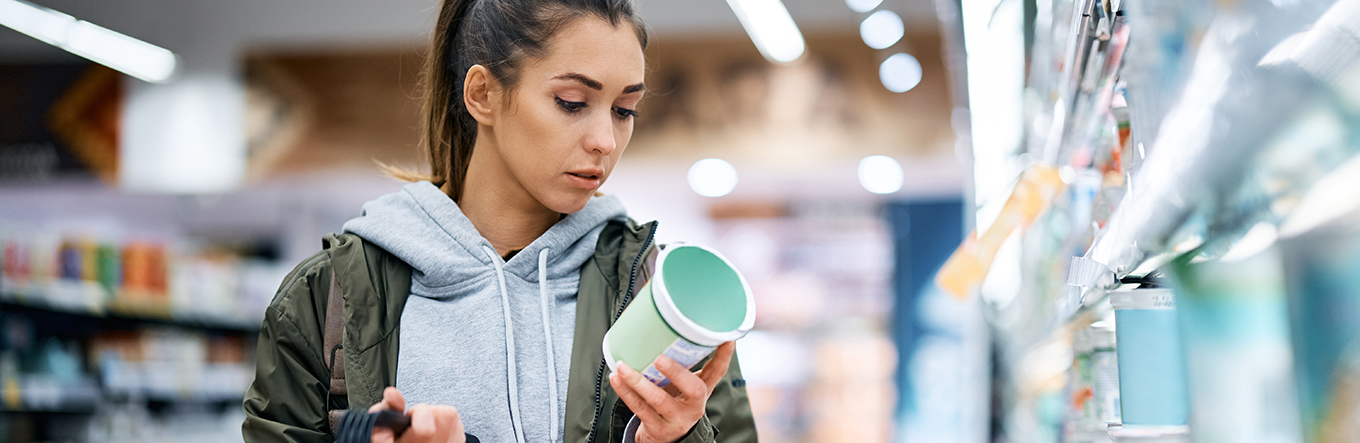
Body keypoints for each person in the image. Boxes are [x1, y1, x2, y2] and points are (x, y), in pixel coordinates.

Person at [240, 0, 757, 442]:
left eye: (625, 110)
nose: (605, 140)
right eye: (572, 103)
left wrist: (684, 437)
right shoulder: (325, 298)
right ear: (483, 94)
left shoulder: (662, 297)